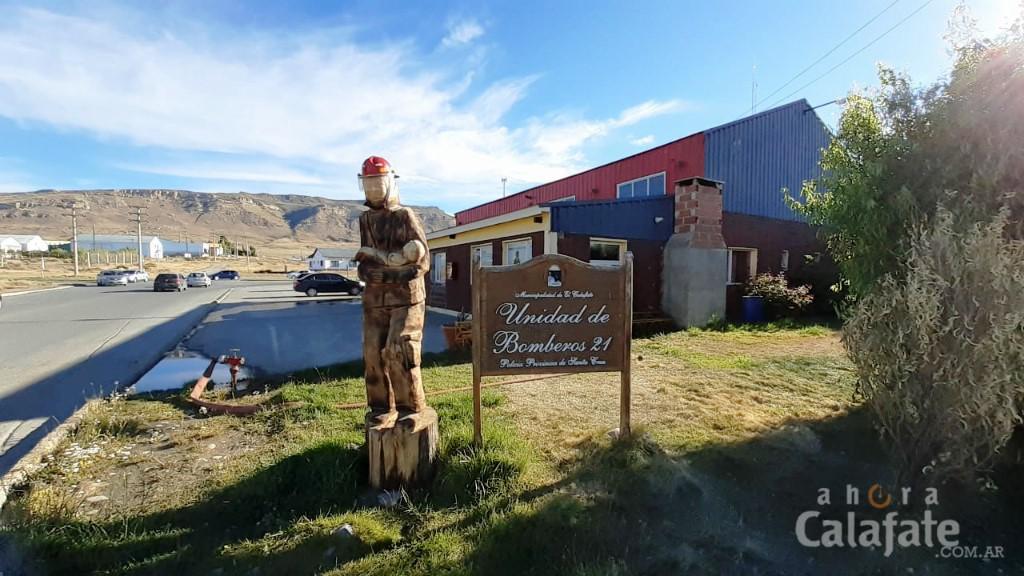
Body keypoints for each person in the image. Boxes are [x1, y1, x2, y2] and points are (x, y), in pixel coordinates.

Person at [354, 156, 430, 426]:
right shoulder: (365, 220)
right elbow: (364, 264)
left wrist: (389, 269)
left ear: (390, 182)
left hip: (406, 299)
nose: (373, 188)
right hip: (374, 299)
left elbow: (421, 261)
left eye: (379, 182)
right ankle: (380, 407)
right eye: (369, 183)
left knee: (399, 348)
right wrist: (368, 272)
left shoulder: (404, 216)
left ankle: (411, 407)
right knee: (372, 351)